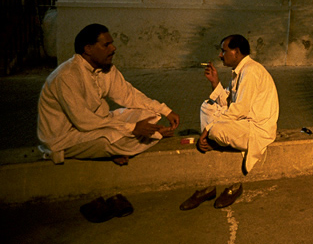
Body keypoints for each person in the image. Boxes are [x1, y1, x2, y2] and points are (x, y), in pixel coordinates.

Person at [37, 24, 180, 166]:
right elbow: (84, 121)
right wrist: (132, 128)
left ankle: (136, 141)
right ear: (88, 49)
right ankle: (146, 138)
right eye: (106, 45)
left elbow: (129, 95)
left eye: (112, 44)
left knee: (149, 114)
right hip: (67, 138)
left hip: (99, 124)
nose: (113, 48)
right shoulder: (67, 76)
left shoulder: (105, 68)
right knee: (110, 139)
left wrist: (165, 111)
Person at [180, 34, 279, 210]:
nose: (220, 55)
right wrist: (215, 83)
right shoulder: (240, 71)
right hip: (243, 121)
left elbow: (239, 109)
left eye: (223, 51)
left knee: (217, 131)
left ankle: (233, 185)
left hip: (256, 128)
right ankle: (211, 154)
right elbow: (228, 101)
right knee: (207, 107)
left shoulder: (251, 71)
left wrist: (209, 129)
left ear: (236, 52)